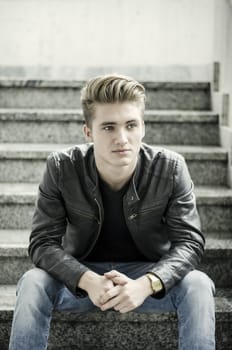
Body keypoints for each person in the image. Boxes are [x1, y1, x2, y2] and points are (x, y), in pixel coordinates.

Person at [9, 74, 215, 349]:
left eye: (131, 125)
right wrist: (87, 280)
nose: (122, 138)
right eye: (108, 127)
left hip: (148, 276)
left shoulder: (171, 167)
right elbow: (42, 243)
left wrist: (147, 283)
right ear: (88, 132)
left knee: (198, 285)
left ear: (143, 127)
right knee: (32, 282)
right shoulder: (61, 167)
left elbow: (190, 243)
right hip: (81, 277)